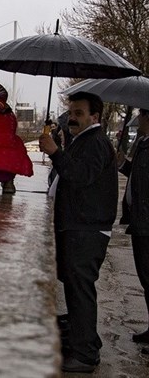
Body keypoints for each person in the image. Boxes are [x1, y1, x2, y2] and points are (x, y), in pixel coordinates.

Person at [38, 91, 118, 373]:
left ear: (94, 117)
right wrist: (58, 147)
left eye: (79, 113)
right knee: (76, 287)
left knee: (81, 288)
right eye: (71, 112)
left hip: (87, 228)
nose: (72, 118)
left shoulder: (96, 142)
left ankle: (85, 355)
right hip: (79, 225)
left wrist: (55, 152)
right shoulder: (85, 139)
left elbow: (81, 176)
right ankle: (85, 339)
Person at [118, 108, 149, 353]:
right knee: (145, 278)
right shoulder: (142, 143)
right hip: (139, 220)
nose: (138, 119)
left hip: (147, 222)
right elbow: (128, 172)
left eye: (142, 115)